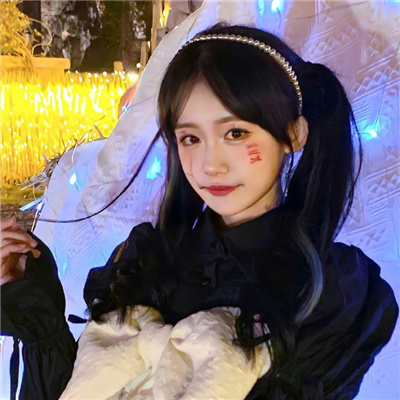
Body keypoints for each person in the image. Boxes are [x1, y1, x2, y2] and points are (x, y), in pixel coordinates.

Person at [1, 24, 398, 400]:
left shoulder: (332, 290)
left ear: (293, 134)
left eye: (236, 133)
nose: (211, 165)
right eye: (190, 137)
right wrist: (33, 300)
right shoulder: (147, 258)